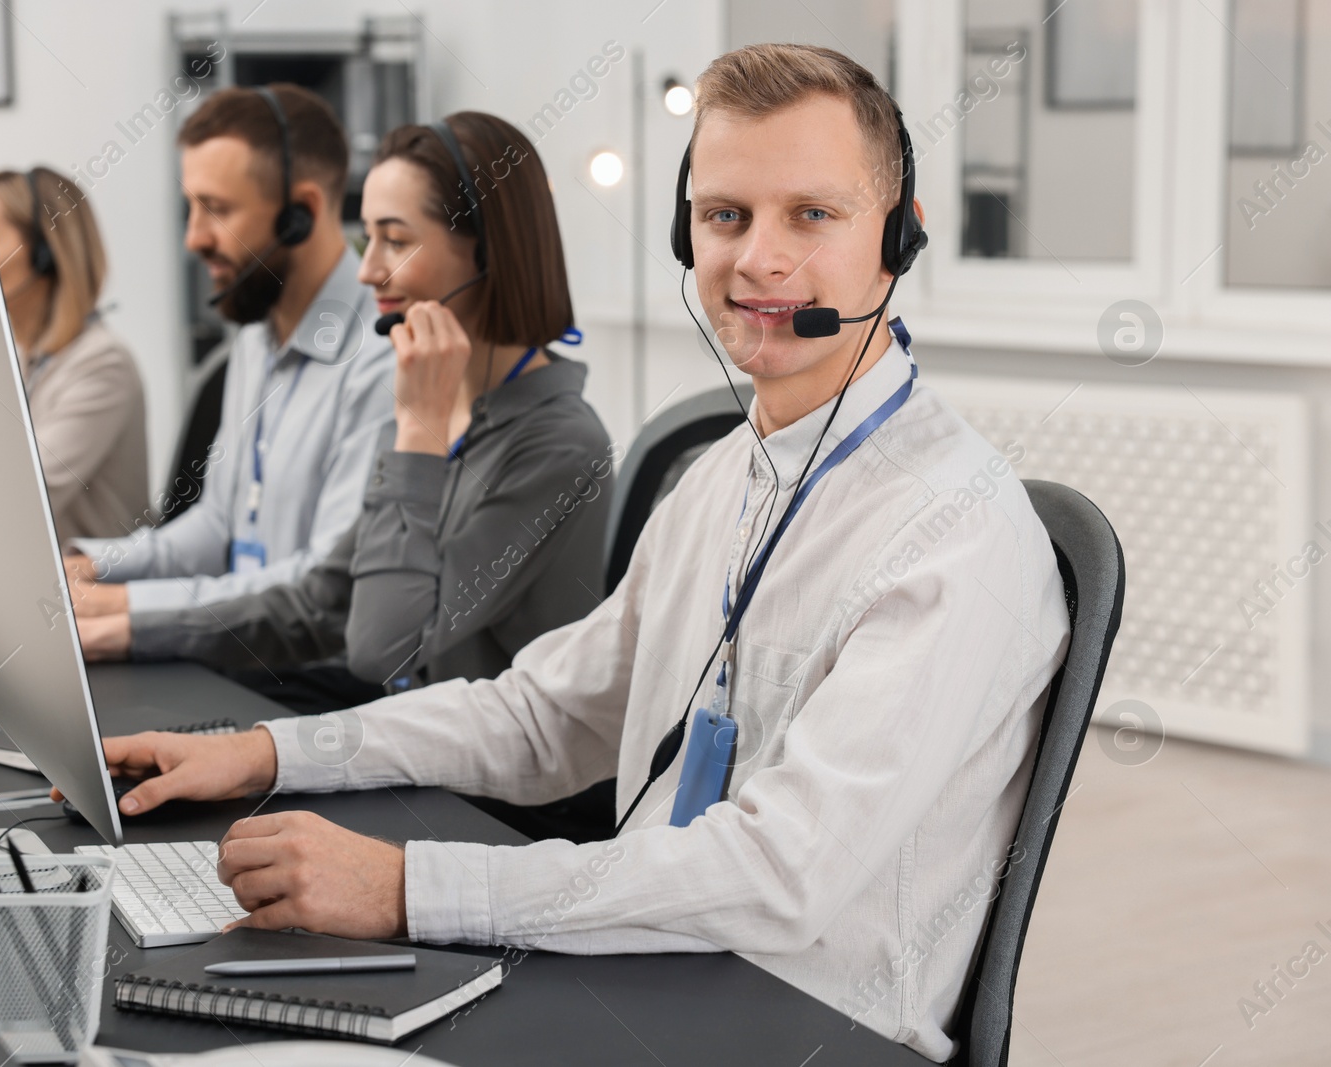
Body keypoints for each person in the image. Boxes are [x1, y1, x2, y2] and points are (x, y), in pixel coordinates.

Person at [73, 45, 1070, 1062]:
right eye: (725, 215)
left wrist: (408, 885)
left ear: (896, 241)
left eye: (811, 215)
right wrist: (270, 752)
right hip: (648, 968)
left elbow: (777, 872)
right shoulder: (721, 479)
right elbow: (545, 715)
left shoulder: (955, 529)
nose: (757, 260)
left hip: (805, 1025)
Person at [75, 112, 614, 701]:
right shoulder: (449, 404)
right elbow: (323, 599)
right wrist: (118, 630)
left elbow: (383, 648)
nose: (368, 269)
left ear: (488, 253)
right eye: (369, 237)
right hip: (405, 743)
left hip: (477, 787)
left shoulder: (557, 445)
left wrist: (417, 433)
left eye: (397, 240)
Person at [66, 86, 394, 690]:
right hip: (230, 661)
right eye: (191, 209)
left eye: (216, 209)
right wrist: (85, 569)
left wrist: (121, 610)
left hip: (318, 690)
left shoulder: (381, 358)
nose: (194, 238)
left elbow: (319, 588)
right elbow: (216, 528)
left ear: (302, 211)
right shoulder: (256, 336)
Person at [0, 167, 149, 542]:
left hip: (89, 590)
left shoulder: (102, 365)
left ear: (46, 251)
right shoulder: (26, 362)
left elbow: (19, 500)